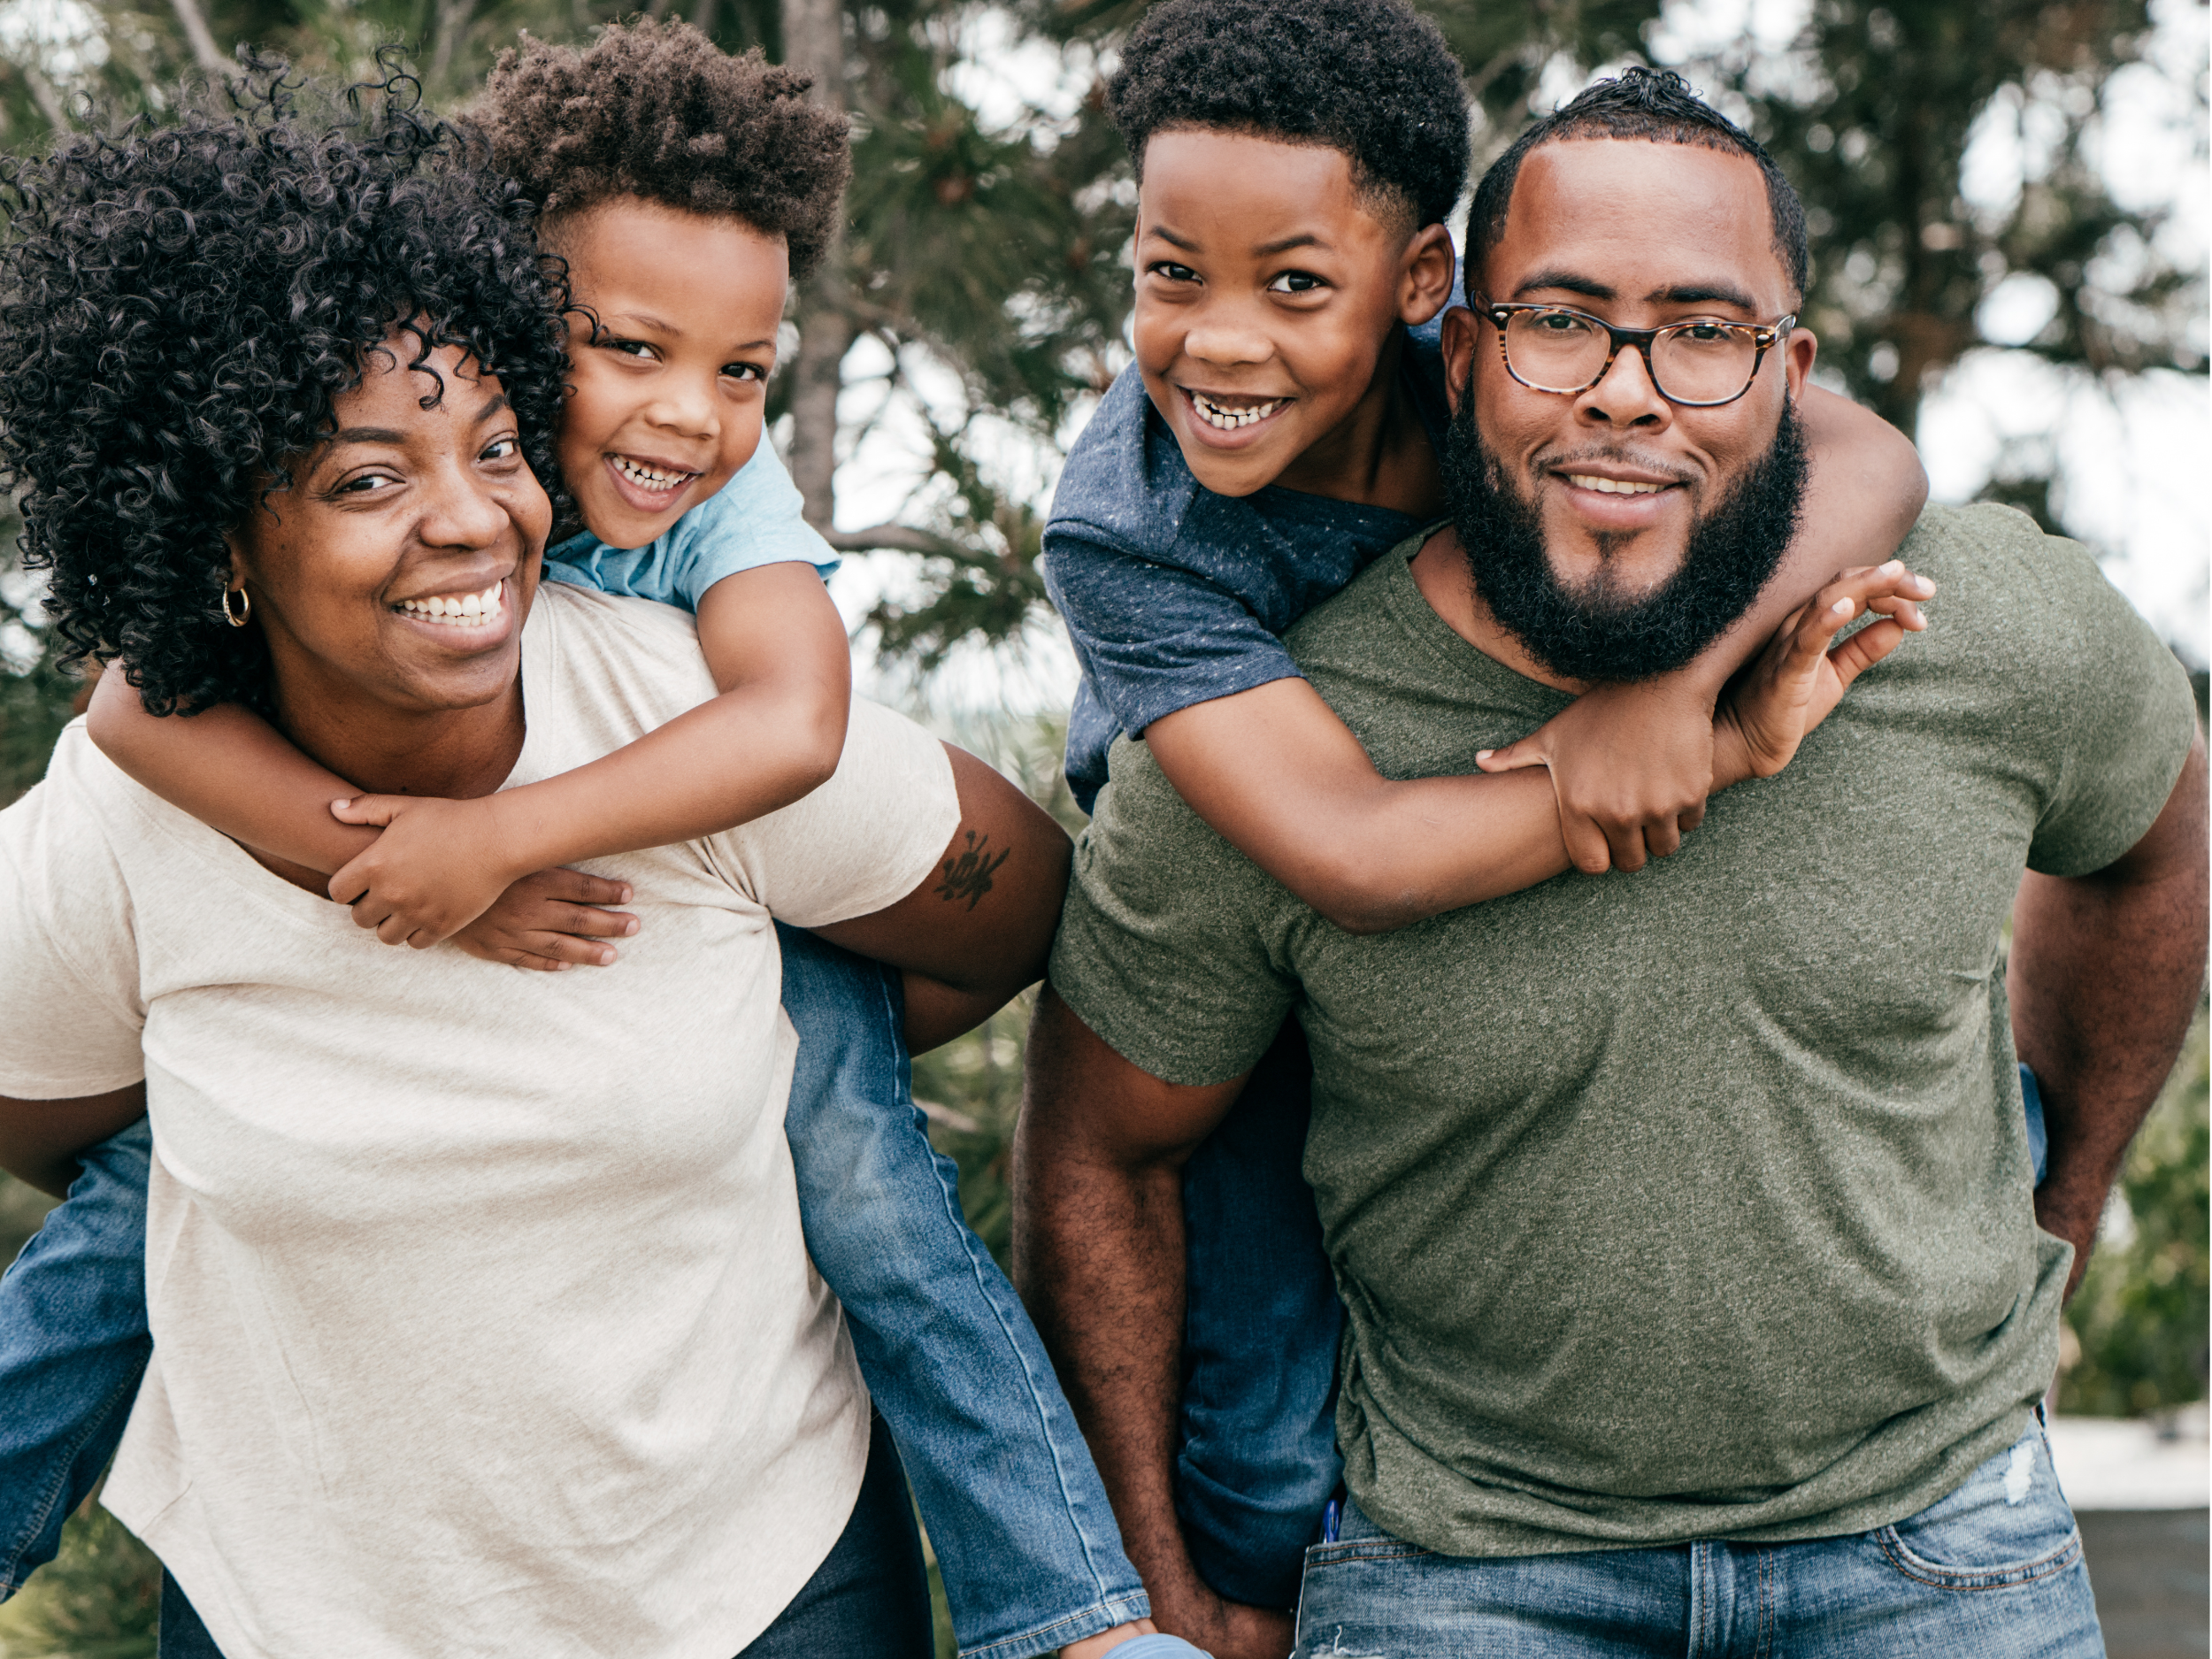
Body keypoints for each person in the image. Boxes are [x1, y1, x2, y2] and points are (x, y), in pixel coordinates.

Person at [5, 33, 1179, 1659]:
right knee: (147, 1199)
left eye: (492, 449)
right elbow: (126, 732)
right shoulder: (157, 769)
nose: (476, 509)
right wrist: (371, 870)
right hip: (302, 1598)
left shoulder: (689, 607)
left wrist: (520, 857)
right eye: (367, 475)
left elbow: (873, 791)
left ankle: (1068, 1612)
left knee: (859, 1167)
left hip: (743, 1562)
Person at [1017, 67, 2206, 1659]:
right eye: (1562, 321)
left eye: (1704, 334)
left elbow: (2157, 840)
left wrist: (2063, 1204)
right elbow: (1100, 1155)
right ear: (1459, 350)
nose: (1630, 391)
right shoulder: (1254, 734)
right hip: (1463, 1572)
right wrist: (1150, 1595)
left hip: (1945, 1548)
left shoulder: (1980, 623)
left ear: (1793, 367)